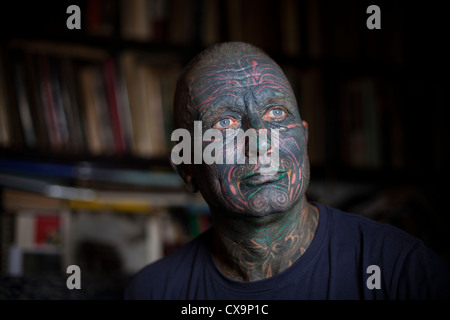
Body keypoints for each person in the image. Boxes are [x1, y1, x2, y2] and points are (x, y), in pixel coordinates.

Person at [124, 42, 450, 299]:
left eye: (276, 112)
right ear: (186, 167)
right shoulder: (154, 292)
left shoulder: (401, 270)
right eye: (225, 123)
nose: (261, 142)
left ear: (304, 139)